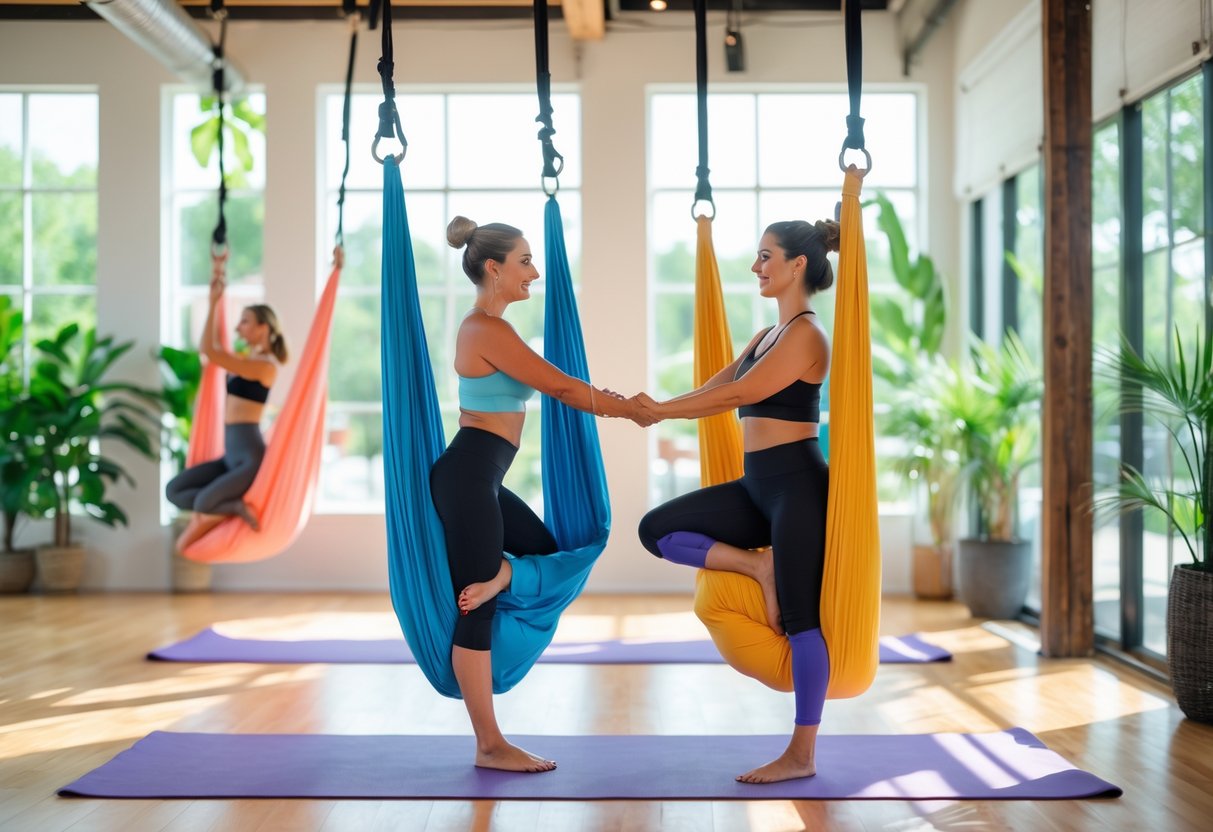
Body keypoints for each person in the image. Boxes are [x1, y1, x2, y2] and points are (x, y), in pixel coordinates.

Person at [433, 216, 652, 773]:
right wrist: (627, 407)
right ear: (493, 268)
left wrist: (614, 402)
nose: (534, 271)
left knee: (549, 553)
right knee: (473, 610)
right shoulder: (487, 328)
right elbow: (557, 385)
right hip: (468, 476)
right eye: (525, 261)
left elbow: (554, 382)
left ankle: (504, 577)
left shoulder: (493, 328)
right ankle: (489, 744)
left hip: (480, 477)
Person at [636, 218, 839, 784]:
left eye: (765, 256)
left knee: (801, 619)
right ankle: (757, 563)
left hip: (798, 486)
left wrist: (660, 412)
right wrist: (653, 408)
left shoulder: (806, 334)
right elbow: (713, 388)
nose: (756, 267)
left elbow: (742, 394)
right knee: (657, 530)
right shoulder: (765, 337)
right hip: (757, 486)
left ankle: (801, 754)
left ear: (798, 264)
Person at [167, 252, 288, 553]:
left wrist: (213, 302)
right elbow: (213, 352)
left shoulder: (266, 366)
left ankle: (232, 506)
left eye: (244, 322)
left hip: (249, 458)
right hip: (229, 455)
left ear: (264, 327)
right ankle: (233, 505)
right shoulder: (247, 361)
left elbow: (210, 350)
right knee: (175, 491)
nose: (238, 328)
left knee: (204, 504)